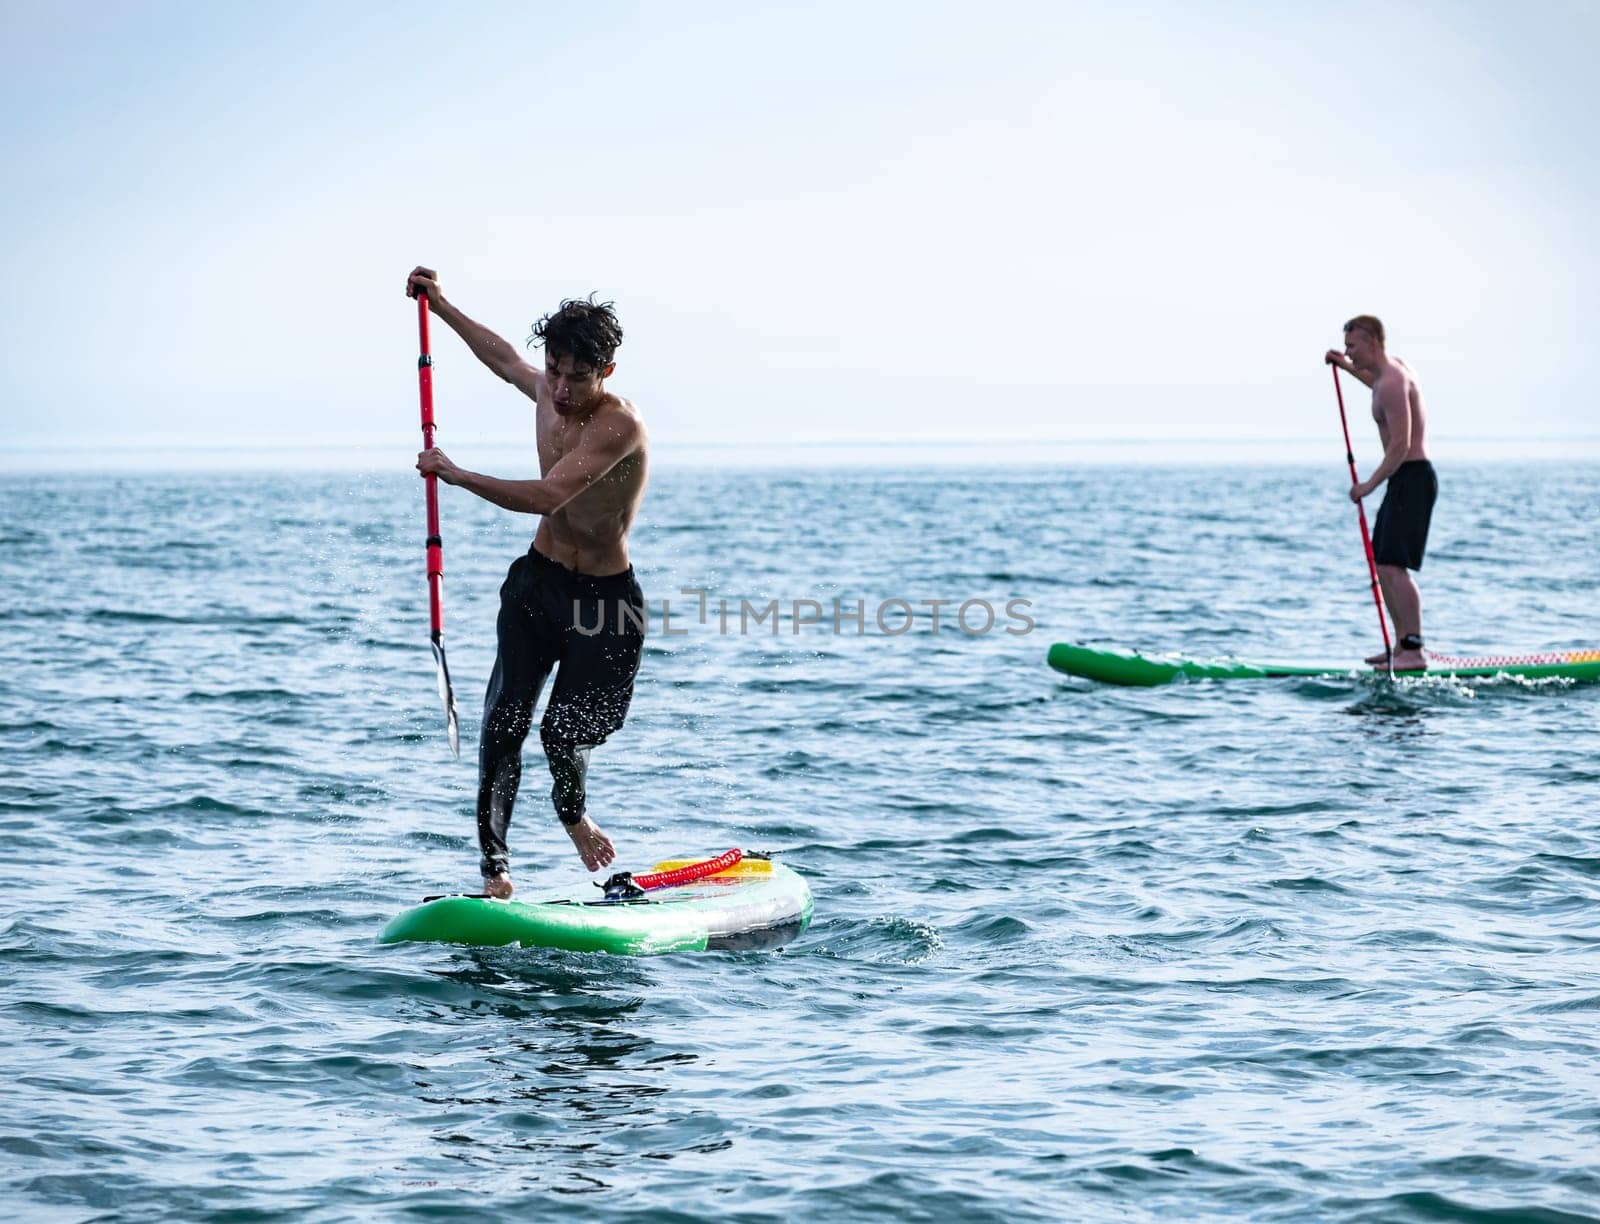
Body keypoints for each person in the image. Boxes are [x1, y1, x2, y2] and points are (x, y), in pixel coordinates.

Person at [406, 267, 649, 898]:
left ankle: (572, 814)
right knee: (503, 720)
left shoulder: (620, 427)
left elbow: (548, 495)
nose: (562, 389)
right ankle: (495, 867)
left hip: (604, 602)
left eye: (579, 377)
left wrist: (456, 475)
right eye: (556, 371)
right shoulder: (546, 387)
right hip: (537, 584)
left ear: (608, 372)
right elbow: (502, 358)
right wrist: (442, 306)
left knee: (566, 733)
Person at [1325, 315, 1436, 672]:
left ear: (1372, 342)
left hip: (1412, 478)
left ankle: (1414, 649)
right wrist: (1343, 367)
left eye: (1352, 346)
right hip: (1404, 480)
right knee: (1383, 561)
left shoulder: (1393, 381)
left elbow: (1401, 445)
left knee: (1394, 565)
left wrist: (1368, 486)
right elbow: (1373, 381)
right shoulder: (1390, 373)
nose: (1348, 352)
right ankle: (1401, 645)